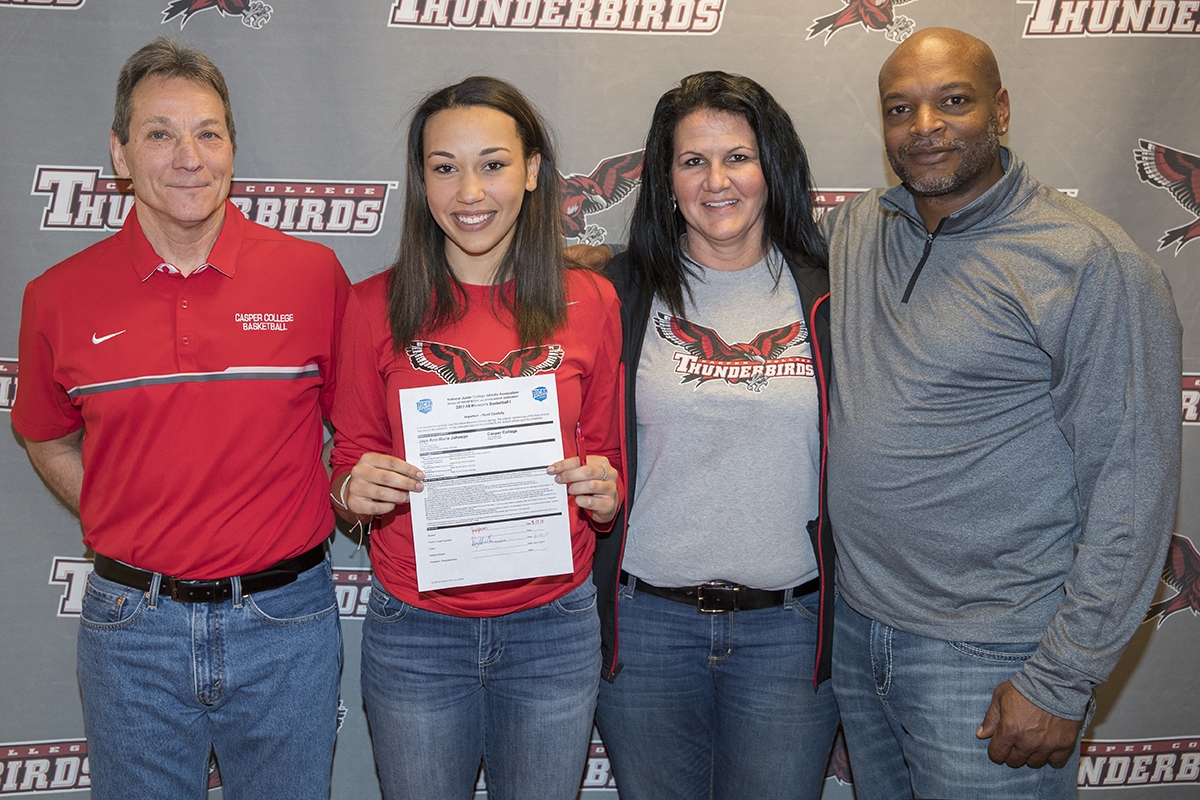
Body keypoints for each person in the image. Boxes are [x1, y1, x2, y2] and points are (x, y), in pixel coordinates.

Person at [823, 28, 1182, 799]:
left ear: (1002, 108)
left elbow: (1133, 484)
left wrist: (1063, 677)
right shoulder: (858, 230)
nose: (925, 127)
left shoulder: (1089, 260)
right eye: (900, 108)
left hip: (993, 658)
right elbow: (733, 251)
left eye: (953, 101)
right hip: (858, 634)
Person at [13, 38, 349, 800]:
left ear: (232, 145)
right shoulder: (56, 296)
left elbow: (355, 438)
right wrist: (120, 507)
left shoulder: (311, 276)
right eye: (160, 133)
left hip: (286, 622)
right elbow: (42, 431)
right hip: (132, 629)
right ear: (120, 153)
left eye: (208, 131)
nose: (188, 156)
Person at [328, 76, 622, 800]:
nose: (469, 191)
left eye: (492, 164)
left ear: (531, 172)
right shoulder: (373, 307)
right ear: (421, 178)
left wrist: (606, 492)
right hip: (417, 629)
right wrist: (353, 492)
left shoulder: (591, 301)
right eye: (444, 166)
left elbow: (610, 462)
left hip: (553, 627)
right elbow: (346, 466)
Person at [592, 71, 839, 800]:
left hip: (789, 632)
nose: (716, 180)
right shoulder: (615, 295)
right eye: (693, 161)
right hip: (646, 630)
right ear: (666, 180)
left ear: (773, 170)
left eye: (738, 156)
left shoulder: (834, 294)